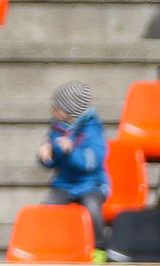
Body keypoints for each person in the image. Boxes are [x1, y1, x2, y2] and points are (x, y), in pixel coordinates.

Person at [36, 81, 109, 250]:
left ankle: (100, 248)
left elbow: (91, 163)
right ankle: (49, 247)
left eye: (58, 109)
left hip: (91, 184)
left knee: (92, 208)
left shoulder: (93, 130)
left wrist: (71, 151)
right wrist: (46, 155)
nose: (54, 112)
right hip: (65, 185)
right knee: (48, 208)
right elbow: (53, 162)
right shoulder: (56, 130)